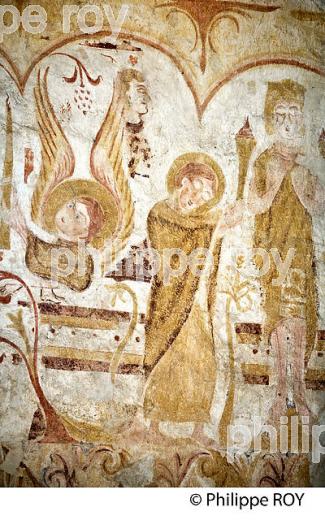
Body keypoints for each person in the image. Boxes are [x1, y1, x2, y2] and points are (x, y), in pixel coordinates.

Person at [141, 152, 243, 445]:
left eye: (208, 194)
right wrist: (214, 230)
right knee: (164, 360)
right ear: (183, 181)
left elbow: (209, 251)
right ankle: (154, 427)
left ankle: (198, 429)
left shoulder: (208, 219)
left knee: (202, 360)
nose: (199, 197)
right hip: (169, 302)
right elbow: (168, 253)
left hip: (197, 304)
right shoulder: (160, 214)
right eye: (197, 186)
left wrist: (219, 229)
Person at [247, 80, 325, 422]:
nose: (289, 120)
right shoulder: (264, 162)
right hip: (274, 251)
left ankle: (300, 390)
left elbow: (319, 206)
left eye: (294, 113)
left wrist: (302, 183)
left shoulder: (307, 165)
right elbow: (254, 204)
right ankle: (280, 393)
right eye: (281, 115)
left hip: (301, 252)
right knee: (279, 318)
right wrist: (279, 180)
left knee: (302, 317)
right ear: (270, 121)